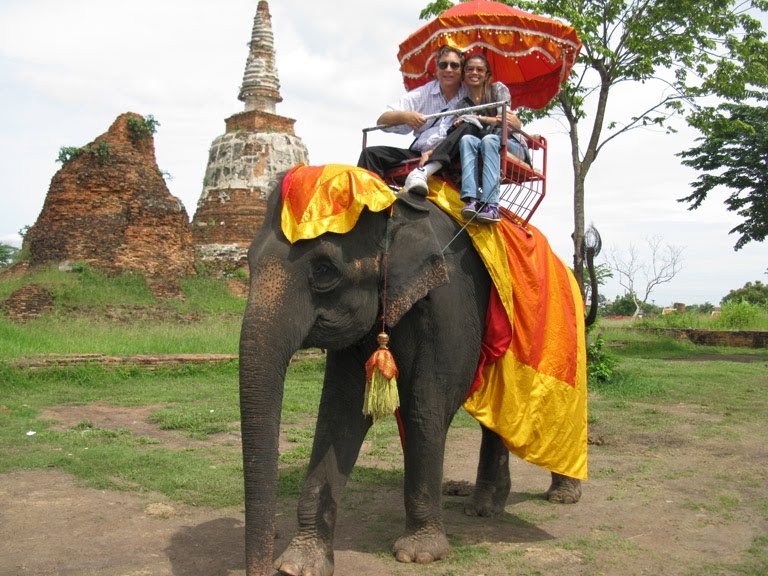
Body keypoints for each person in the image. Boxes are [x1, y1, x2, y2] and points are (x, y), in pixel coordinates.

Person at [403, 54, 530, 210]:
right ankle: (471, 198)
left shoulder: (497, 89)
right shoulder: (462, 104)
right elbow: (457, 136)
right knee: (467, 139)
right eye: (470, 69)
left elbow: (505, 120)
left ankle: (491, 204)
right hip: (483, 146)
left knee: (488, 139)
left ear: (487, 75)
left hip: (508, 143)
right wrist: (431, 151)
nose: (474, 73)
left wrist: (476, 118)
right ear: (464, 74)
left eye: (480, 70)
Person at [357, 46, 467, 186]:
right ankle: (368, 197)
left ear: (462, 70)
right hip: (418, 153)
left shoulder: (470, 94)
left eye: (454, 65)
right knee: (371, 154)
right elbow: (382, 119)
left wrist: (434, 153)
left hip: (450, 156)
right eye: (443, 65)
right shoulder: (424, 93)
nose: (448, 69)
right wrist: (406, 117)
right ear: (436, 70)